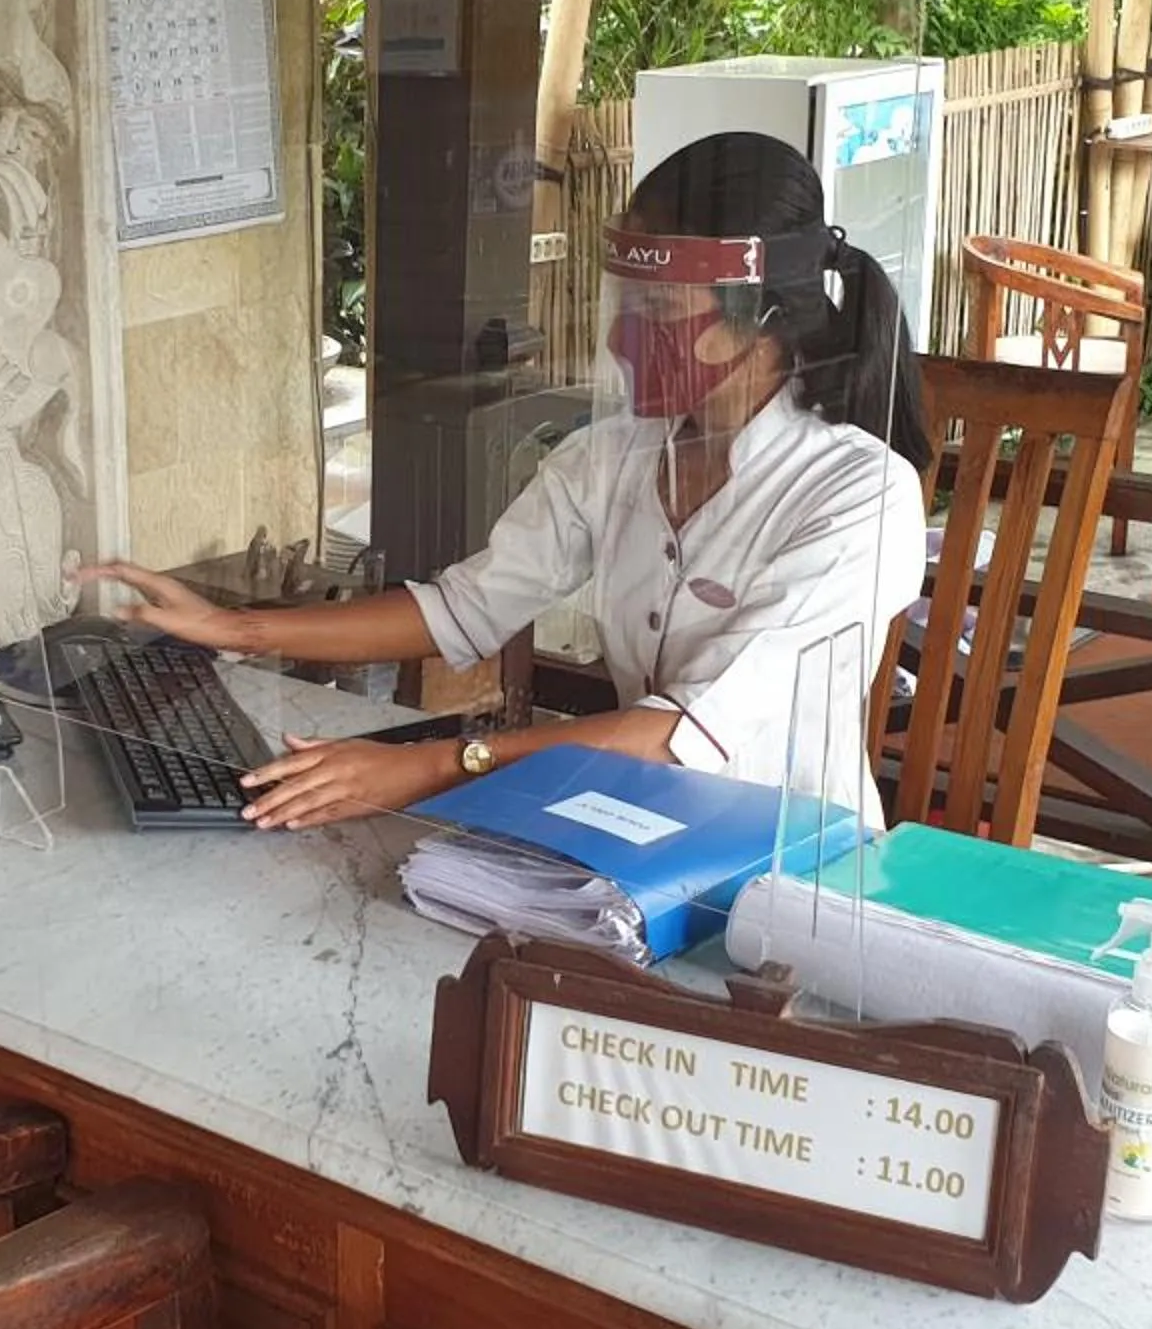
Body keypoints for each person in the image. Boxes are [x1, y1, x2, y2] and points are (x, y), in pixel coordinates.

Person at [86, 131, 931, 830]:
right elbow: (463, 609)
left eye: (659, 318)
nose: (623, 344)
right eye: (624, 310)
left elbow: (678, 732)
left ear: (763, 323)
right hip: (635, 825)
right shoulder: (619, 457)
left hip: (786, 870)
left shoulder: (860, 498)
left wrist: (426, 767)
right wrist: (239, 628)